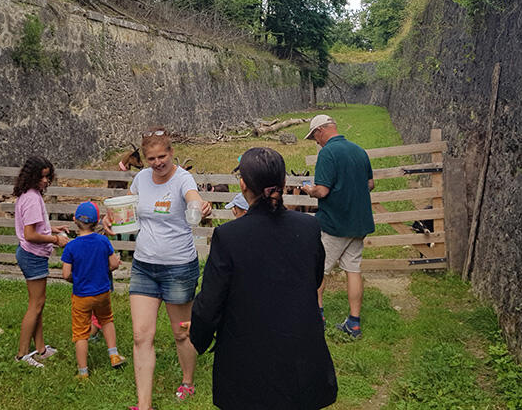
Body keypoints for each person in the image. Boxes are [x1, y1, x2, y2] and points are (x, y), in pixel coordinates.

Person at [183, 146, 337, 409]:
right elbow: (314, 278)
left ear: (243, 185)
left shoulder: (229, 236)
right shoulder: (309, 227)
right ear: (283, 183)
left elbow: (211, 300)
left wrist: (199, 332)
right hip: (300, 351)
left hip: (247, 358)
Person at [110, 127, 211, 410]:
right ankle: (144, 405)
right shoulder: (141, 179)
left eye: (162, 156)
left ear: (171, 152)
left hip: (178, 267)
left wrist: (200, 206)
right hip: (144, 266)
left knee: (181, 332)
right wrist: (111, 221)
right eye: (152, 158)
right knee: (142, 335)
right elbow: (126, 209)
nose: (158, 163)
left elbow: (193, 198)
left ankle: (188, 382)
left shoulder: (183, 179)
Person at [300, 114, 375, 338]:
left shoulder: (328, 153)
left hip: (334, 224)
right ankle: (354, 323)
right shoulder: (359, 151)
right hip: (358, 222)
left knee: (318, 270)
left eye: (315, 137)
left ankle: (316, 317)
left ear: (320, 131)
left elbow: (322, 190)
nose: (316, 142)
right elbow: (370, 183)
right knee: (353, 270)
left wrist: (309, 190)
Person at [12, 156, 68, 367]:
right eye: (41, 177)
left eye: (47, 176)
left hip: (30, 254)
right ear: (32, 176)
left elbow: (35, 227)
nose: (45, 181)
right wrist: (56, 239)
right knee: (35, 305)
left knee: (39, 304)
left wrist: (52, 229)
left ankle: (41, 348)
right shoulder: (33, 199)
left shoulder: (27, 195)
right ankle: (22, 354)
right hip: (32, 255)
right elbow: (30, 234)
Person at [61, 201, 127, 379]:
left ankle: (83, 372)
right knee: (106, 320)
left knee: (81, 332)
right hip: (102, 292)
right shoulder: (103, 240)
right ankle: (114, 355)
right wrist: (100, 271)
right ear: (97, 223)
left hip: (82, 295)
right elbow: (113, 264)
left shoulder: (71, 246)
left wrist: (78, 278)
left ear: (75, 220)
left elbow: (66, 274)